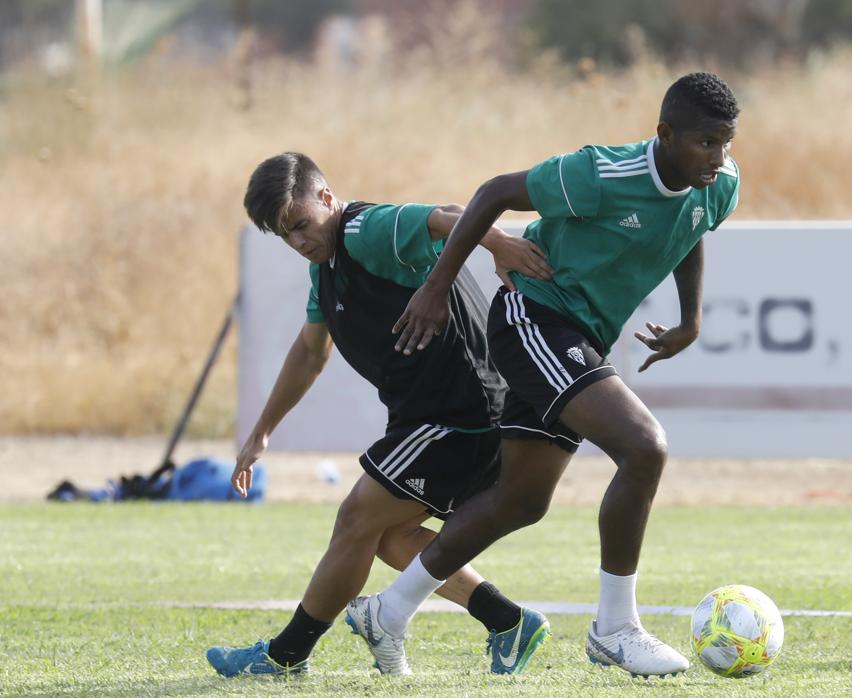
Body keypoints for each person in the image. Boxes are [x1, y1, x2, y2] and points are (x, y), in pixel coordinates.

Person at [365, 72, 741, 678]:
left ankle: (388, 610)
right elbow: (493, 192)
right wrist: (436, 287)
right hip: (532, 315)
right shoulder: (602, 172)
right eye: (704, 143)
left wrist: (690, 320)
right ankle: (615, 629)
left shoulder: (719, 183)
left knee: (520, 500)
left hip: (579, 337)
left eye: (726, 142)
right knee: (644, 447)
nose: (718, 157)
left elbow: (693, 226)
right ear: (665, 134)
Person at [205, 152, 555, 678]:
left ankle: (285, 657)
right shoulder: (324, 269)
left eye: (301, 224)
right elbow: (309, 352)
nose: (298, 241)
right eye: (284, 235)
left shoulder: (363, 229)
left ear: (326, 199)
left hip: (462, 413)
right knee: (390, 538)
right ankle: (508, 621)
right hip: (433, 418)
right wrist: (261, 433)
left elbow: (445, 214)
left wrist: (500, 243)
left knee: (354, 519)